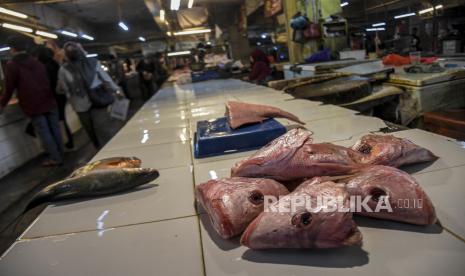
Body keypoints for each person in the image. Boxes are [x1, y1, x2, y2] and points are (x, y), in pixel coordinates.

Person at [0, 36, 63, 166]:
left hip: (33, 104)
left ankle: (55, 158)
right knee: (55, 129)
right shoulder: (36, 62)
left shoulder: (12, 65)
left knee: (44, 132)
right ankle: (60, 153)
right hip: (49, 100)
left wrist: (2, 103)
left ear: (12, 49)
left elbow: (9, 88)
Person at [57, 42, 121, 149]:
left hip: (89, 102)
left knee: (97, 130)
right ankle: (104, 150)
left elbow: (66, 91)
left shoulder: (65, 69)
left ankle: (105, 150)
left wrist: (116, 89)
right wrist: (117, 90)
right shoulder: (90, 63)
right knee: (97, 130)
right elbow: (106, 79)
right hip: (89, 103)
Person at [34, 46, 74, 149]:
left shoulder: (45, 68)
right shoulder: (56, 64)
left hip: (53, 97)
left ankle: (65, 143)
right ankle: (68, 142)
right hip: (61, 96)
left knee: (58, 121)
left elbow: (47, 84)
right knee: (62, 119)